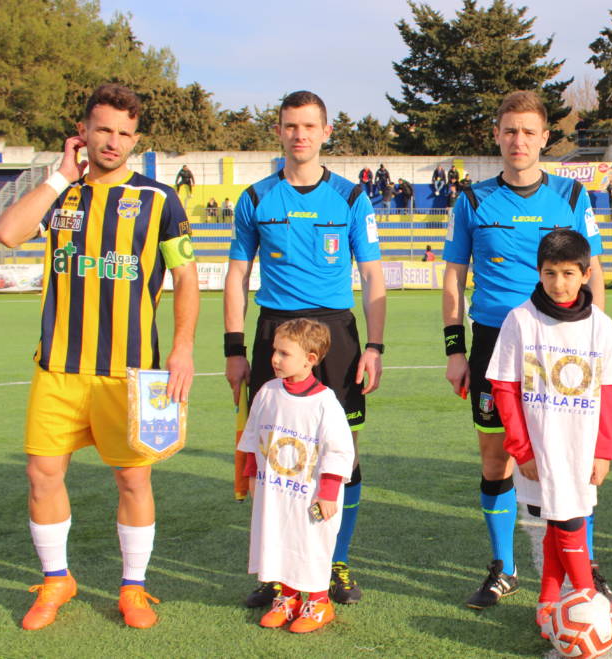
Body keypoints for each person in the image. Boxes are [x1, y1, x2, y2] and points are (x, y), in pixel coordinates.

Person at [0, 82, 199, 630]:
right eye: (103, 129)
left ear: (136, 139)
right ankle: (56, 578)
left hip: (129, 373)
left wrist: (181, 349)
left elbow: (185, 277)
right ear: (82, 132)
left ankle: (133, 587)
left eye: (125, 133)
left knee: (133, 480)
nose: (113, 141)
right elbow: (7, 234)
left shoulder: (159, 199)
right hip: (58, 366)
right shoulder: (60, 192)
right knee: (42, 475)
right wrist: (61, 175)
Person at [442, 90, 608, 610]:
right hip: (494, 343)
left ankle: (588, 563)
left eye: (528, 132)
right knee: (497, 459)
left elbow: (594, 272)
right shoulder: (471, 200)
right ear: (497, 135)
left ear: (544, 138)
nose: (518, 140)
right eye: (509, 131)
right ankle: (503, 567)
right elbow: (453, 278)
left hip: (561, 345)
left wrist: (594, 338)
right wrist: (454, 348)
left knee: (576, 455)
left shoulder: (573, 198)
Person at [224, 90, 386, 609]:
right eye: (291, 126)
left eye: (309, 126)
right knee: (277, 457)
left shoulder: (352, 197)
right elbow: (236, 274)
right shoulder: (255, 198)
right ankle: (277, 571)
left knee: (344, 453)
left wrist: (375, 345)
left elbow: (372, 274)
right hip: (275, 330)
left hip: (336, 333)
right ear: (279, 131)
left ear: (325, 132)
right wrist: (233, 347)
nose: (300, 135)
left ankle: (334, 561)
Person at [486, 229, 612, 638]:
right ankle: (587, 598)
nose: (559, 283)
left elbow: (611, 391)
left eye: (568, 273)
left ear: (586, 274)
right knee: (567, 523)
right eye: (550, 273)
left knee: (563, 520)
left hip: (582, 446)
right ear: (539, 271)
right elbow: (505, 388)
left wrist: (605, 451)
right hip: (540, 449)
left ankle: (547, 604)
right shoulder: (521, 320)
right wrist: (521, 448)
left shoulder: (601, 326)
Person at [238, 318, 355, 633]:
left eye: (284, 354)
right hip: (273, 489)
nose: (275, 359)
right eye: (275, 351)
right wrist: (250, 474)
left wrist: (329, 491)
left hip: (310, 494)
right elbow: (253, 437)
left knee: (309, 544)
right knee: (277, 540)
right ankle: (288, 598)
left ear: (310, 359)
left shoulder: (325, 403)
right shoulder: (267, 393)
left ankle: (318, 602)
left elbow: (339, 450)